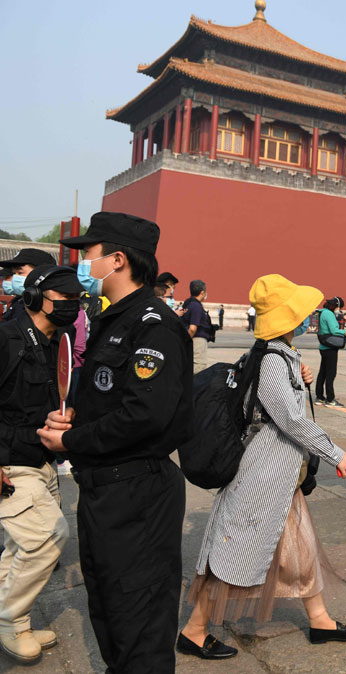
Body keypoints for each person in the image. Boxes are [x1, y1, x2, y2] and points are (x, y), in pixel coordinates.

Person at [180, 275, 346, 658]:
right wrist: (337, 454)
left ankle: (320, 619)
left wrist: (300, 378)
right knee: (234, 554)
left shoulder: (276, 355)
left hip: (281, 479)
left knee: (301, 548)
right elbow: (291, 420)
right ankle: (194, 630)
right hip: (262, 478)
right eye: (300, 312)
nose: (307, 317)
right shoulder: (271, 361)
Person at [39, 212, 191, 673]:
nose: (83, 263)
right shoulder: (113, 318)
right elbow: (113, 396)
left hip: (137, 492)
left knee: (138, 616)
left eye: (89, 253)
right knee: (109, 608)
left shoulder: (153, 324)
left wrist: (72, 441)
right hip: (106, 488)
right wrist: (75, 417)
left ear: (118, 260)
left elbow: (145, 414)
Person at [0, 266, 80, 665]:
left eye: (78, 300)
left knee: (20, 546)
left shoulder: (56, 342)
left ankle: (14, 622)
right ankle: (9, 620)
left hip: (42, 460)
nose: (73, 307)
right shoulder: (6, 338)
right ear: (34, 298)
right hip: (10, 462)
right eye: (65, 300)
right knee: (48, 536)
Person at [0, 249, 57, 323]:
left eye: (20, 273)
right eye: (14, 273)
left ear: (42, 273)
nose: (15, 278)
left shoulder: (49, 307)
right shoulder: (19, 301)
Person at [315, 297, 345, 407]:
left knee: (322, 372)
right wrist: (345, 332)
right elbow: (334, 330)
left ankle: (319, 397)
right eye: (339, 307)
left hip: (323, 347)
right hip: (330, 348)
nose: (339, 310)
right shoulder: (329, 314)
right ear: (336, 306)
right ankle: (330, 399)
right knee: (330, 374)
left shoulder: (322, 312)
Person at [181, 279, 213, 374]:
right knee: (198, 368)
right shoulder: (196, 306)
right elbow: (192, 328)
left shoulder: (188, 303)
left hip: (192, 339)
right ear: (202, 293)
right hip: (197, 341)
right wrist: (186, 341)